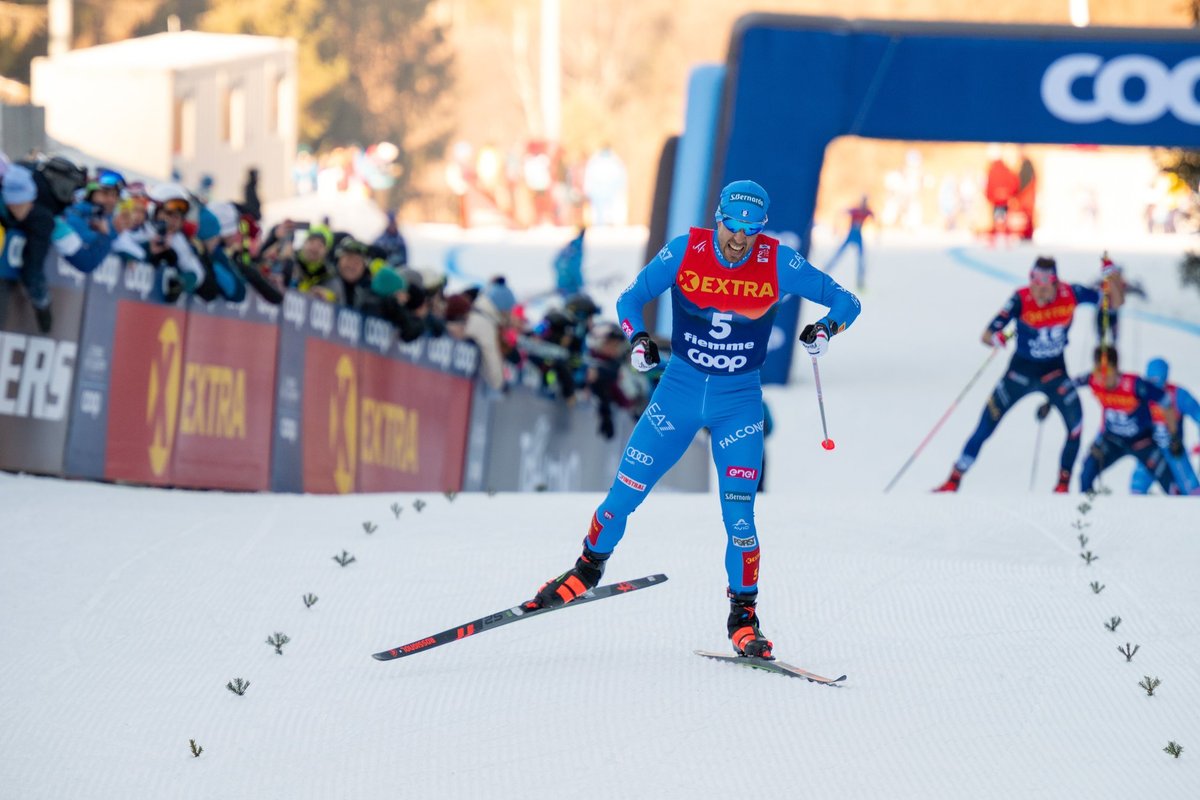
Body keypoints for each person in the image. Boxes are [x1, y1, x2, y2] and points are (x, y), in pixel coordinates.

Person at [521, 179, 861, 659]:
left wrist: (827, 327)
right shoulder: (686, 250)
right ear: (718, 217)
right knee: (622, 498)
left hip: (737, 404)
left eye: (751, 230)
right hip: (677, 394)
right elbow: (629, 300)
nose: (739, 239)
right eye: (731, 227)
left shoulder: (777, 260)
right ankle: (585, 570)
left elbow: (848, 301)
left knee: (740, 518)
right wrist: (637, 338)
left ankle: (743, 618)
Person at [934, 256, 1122, 494]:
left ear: (1055, 283)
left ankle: (1062, 486)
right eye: (1034, 284)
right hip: (1019, 374)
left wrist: (1112, 276)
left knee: (1076, 426)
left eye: (1043, 287)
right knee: (985, 426)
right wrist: (997, 338)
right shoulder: (1020, 298)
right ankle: (954, 478)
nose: (1038, 292)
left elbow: (1114, 302)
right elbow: (986, 335)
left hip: (1054, 373)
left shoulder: (1071, 293)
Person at [1075, 346, 1179, 496]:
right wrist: (1049, 403)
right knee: (1086, 474)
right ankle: (1088, 514)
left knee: (1171, 484)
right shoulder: (1092, 380)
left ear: (1116, 369)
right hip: (1112, 441)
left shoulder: (1135, 384)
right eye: (1099, 371)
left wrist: (1174, 437)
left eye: (1108, 371)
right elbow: (1066, 385)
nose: (1103, 377)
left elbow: (1166, 402)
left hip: (1142, 441)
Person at [1132, 357, 1200, 495]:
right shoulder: (1143, 394)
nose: (1156, 387)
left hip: (1174, 450)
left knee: (1191, 490)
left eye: (1159, 381)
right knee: (1137, 487)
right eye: (1152, 381)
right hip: (1150, 451)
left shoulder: (1178, 395)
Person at [823, 196, 873, 292]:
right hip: (851, 235)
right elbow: (841, 212)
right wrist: (835, 227)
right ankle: (825, 270)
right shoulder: (855, 210)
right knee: (838, 254)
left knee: (861, 259)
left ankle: (860, 282)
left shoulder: (867, 212)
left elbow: (875, 218)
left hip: (858, 236)